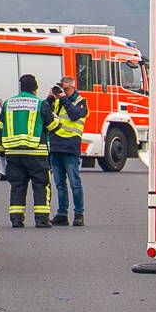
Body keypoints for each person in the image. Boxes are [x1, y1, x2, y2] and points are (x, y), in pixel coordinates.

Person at [0, 74, 49, 228]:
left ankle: (16, 220)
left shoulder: (8, 103)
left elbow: (0, 128)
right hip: (36, 153)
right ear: (35, 88)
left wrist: (0, 150)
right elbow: (52, 126)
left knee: (17, 186)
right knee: (40, 185)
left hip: (13, 153)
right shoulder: (40, 103)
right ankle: (41, 220)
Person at [44, 78, 88, 228]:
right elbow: (43, 111)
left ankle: (79, 215)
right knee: (59, 184)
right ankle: (62, 214)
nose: (64, 91)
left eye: (67, 89)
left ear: (73, 88)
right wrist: (50, 97)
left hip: (70, 148)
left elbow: (75, 115)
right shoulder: (57, 101)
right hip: (55, 147)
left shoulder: (81, 101)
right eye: (62, 88)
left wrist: (63, 99)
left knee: (75, 183)